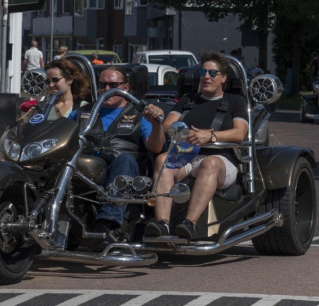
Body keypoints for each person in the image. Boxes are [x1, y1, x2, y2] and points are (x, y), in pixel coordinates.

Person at [144, 51, 248, 240]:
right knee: (162, 160)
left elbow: (240, 133)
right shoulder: (188, 100)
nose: (206, 77)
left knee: (210, 163)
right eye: (202, 72)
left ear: (224, 78)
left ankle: (189, 224)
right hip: (187, 155)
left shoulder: (235, 102)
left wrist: (210, 136)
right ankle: (162, 224)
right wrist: (187, 134)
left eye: (212, 73)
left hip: (221, 160)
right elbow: (167, 126)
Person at [76, 66, 165, 248]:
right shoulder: (83, 112)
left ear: (125, 87)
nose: (107, 89)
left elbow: (156, 147)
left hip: (125, 173)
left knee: (125, 159)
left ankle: (107, 224)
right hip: (87, 170)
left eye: (113, 85)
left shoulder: (140, 114)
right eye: (103, 85)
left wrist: (157, 125)